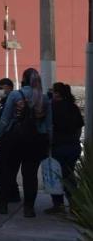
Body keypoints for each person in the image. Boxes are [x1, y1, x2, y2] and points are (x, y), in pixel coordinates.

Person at [0, 67, 52, 217]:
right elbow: (48, 125)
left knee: (9, 172)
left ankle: (3, 204)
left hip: (15, 140)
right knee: (31, 175)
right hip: (35, 141)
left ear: (23, 80)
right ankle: (29, 208)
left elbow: (5, 119)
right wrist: (49, 142)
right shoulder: (44, 98)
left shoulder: (15, 95)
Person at [44, 82, 84, 215]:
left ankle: (58, 204)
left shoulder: (52, 107)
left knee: (56, 176)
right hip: (73, 146)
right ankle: (74, 204)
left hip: (58, 147)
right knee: (69, 175)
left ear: (57, 93)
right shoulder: (73, 107)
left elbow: (48, 127)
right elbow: (79, 128)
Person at [0, 78, 21, 203]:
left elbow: (5, 121)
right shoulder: (3, 101)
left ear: (9, 87)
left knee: (4, 169)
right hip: (3, 141)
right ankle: (12, 194)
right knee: (7, 169)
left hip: (6, 140)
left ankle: (5, 197)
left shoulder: (11, 101)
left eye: (0, 87)